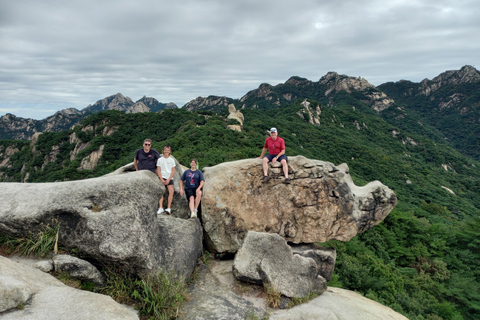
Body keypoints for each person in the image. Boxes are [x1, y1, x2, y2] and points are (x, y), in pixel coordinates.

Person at [156, 146, 176, 215]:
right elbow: (158, 170)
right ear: (163, 151)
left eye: (168, 150)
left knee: (171, 191)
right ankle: (161, 207)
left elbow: (173, 171)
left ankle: (168, 208)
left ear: (169, 152)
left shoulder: (172, 160)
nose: (166, 151)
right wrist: (161, 179)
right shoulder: (160, 160)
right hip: (162, 177)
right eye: (165, 150)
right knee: (161, 191)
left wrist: (169, 179)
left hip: (169, 178)